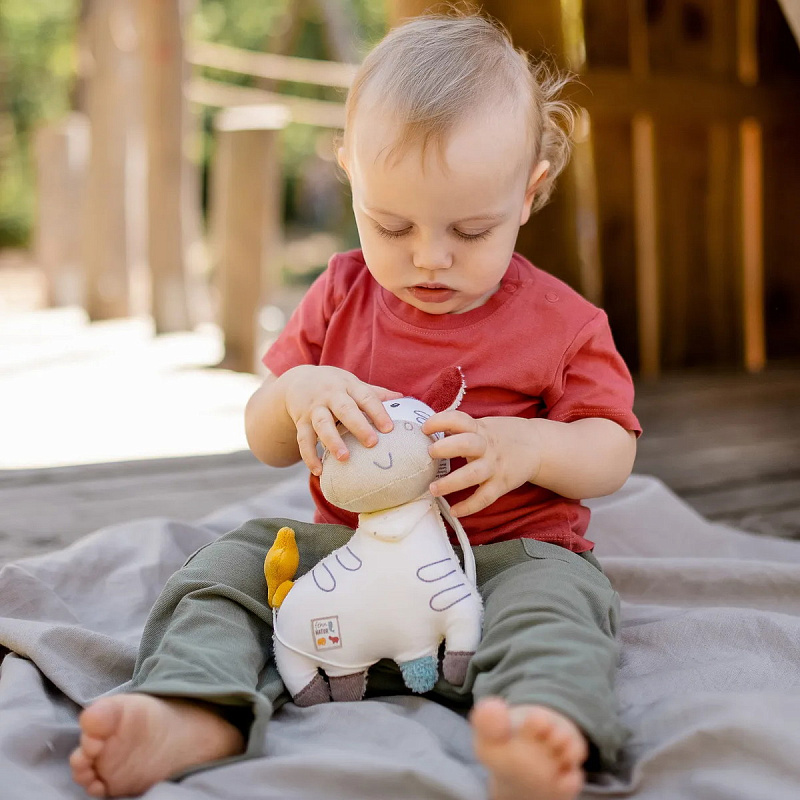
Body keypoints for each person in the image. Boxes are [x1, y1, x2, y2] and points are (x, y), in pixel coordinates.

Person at [70, 11, 640, 800]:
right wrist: (295, 393)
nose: (429, 257)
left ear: (529, 192)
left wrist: (531, 447)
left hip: (504, 563)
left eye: (472, 230)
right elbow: (264, 436)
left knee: (559, 607)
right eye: (391, 224)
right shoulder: (340, 294)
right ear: (351, 175)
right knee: (230, 566)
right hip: (347, 562)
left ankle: (540, 729)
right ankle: (194, 706)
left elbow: (613, 448)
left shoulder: (563, 324)